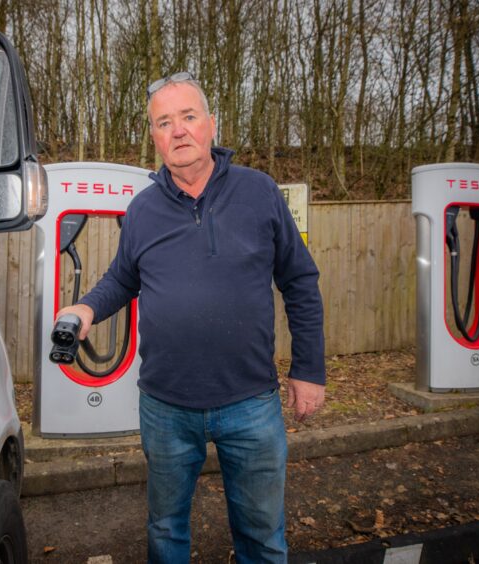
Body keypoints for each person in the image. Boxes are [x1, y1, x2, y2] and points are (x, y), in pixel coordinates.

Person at [56, 72, 325, 563]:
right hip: (166, 408)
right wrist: (87, 307)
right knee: (165, 531)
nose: (178, 131)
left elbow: (300, 281)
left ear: (211, 125)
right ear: (155, 137)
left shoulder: (260, 193)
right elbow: (122, 278)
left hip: (250, 403)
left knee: (263, 537)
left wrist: (308, 370)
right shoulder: (141, 211)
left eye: (188, 117)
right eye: (164, 122)